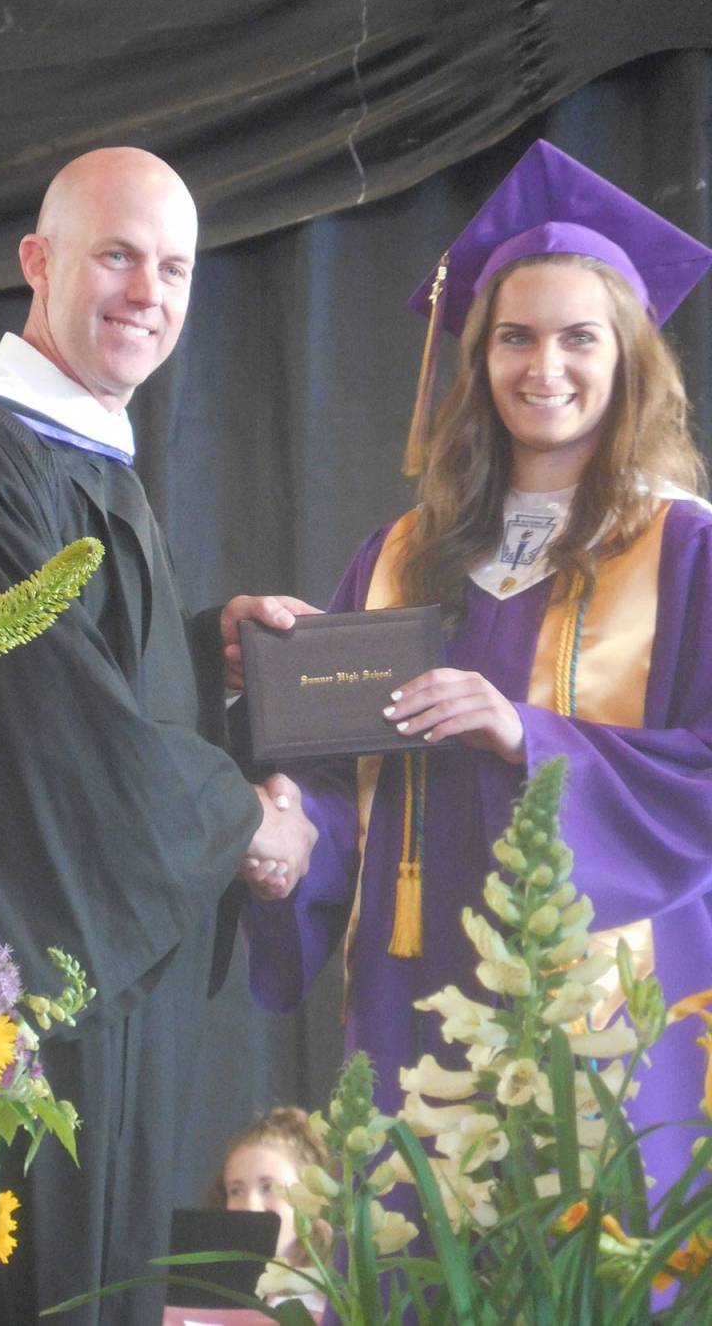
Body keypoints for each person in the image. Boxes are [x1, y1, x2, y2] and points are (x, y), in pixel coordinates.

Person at [0, 146, 318, 1324]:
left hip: (93, 997)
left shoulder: (77, 445)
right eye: (119, 257)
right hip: (15, 1003)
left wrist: (205, 650)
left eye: (175, 269)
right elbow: (27, 723)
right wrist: (244, 812)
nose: (149, 293)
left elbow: (85, 669)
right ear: (38, 263)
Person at [241, 140, 712, 1203]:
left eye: (577, 338)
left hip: (604, 1000)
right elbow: (342, 781)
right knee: (424, 1258)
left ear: (628, 355)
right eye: (514, 338)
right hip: (416, 986)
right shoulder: (400, 553)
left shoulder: (685, 550)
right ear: (479, 358)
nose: (544, 366)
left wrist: (528, 738)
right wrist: (283, 835)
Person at [208, 1106, 330, 1315]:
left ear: (309, 1196)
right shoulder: (212, 1297)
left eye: (268, 1188)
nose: (250, 1207)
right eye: (236, 1190)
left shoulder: (333, 1306)